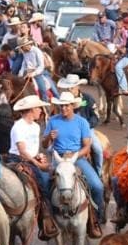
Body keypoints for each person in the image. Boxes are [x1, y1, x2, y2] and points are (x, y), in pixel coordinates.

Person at [43, 92, 104, 237]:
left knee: (97, 186)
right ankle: (47, 220)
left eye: (66, 105)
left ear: (72, 106)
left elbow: (87, 146)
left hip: (78, 158)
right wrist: (49, 138)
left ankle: (95, 219)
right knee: (44, 186)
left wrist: (74, 155)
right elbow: (44, 145)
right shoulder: (52, 121)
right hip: (58, 159)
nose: (63, 108)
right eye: (61, 105)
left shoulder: (82, 122)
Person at [8, 94, 57, 238]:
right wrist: (37, 164)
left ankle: (45, 215)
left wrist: (38, 157)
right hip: (18, 158)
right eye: (38, 108)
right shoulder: (18, 126)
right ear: (30, 110)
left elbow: (32, 148)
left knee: (52, 179)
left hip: (31, 159)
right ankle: (47, 219)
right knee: (43, 183)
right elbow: (22, 150)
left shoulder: (36, 126)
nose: (41, 111)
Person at [16, 36, 56, 100]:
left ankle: (45, 103)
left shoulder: (36, 51)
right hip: (27, 72)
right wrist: (21, 72)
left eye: (22, 47)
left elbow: (41, 66)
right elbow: (24, 63)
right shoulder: (24, 52)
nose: (21, 49)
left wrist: (33, 73)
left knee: (42, 89)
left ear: (27, 45)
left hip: (38, 72)